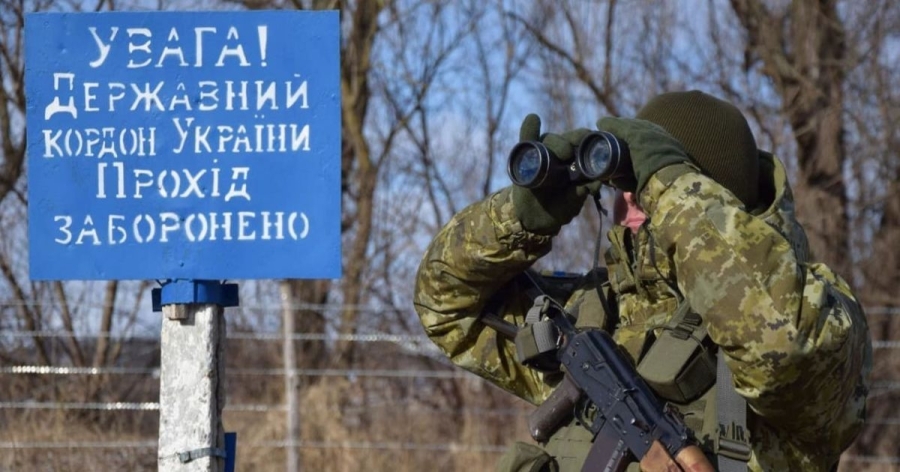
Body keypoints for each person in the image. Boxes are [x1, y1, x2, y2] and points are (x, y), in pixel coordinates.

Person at [413, 90, 872, 471]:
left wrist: (671, 185)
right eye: (623, 186)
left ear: (704, 197)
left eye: (646, 185)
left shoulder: (815, 314)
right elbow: (444, 305)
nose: (629, 202)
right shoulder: (594, 313)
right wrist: (519, 219)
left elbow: (781, 347)